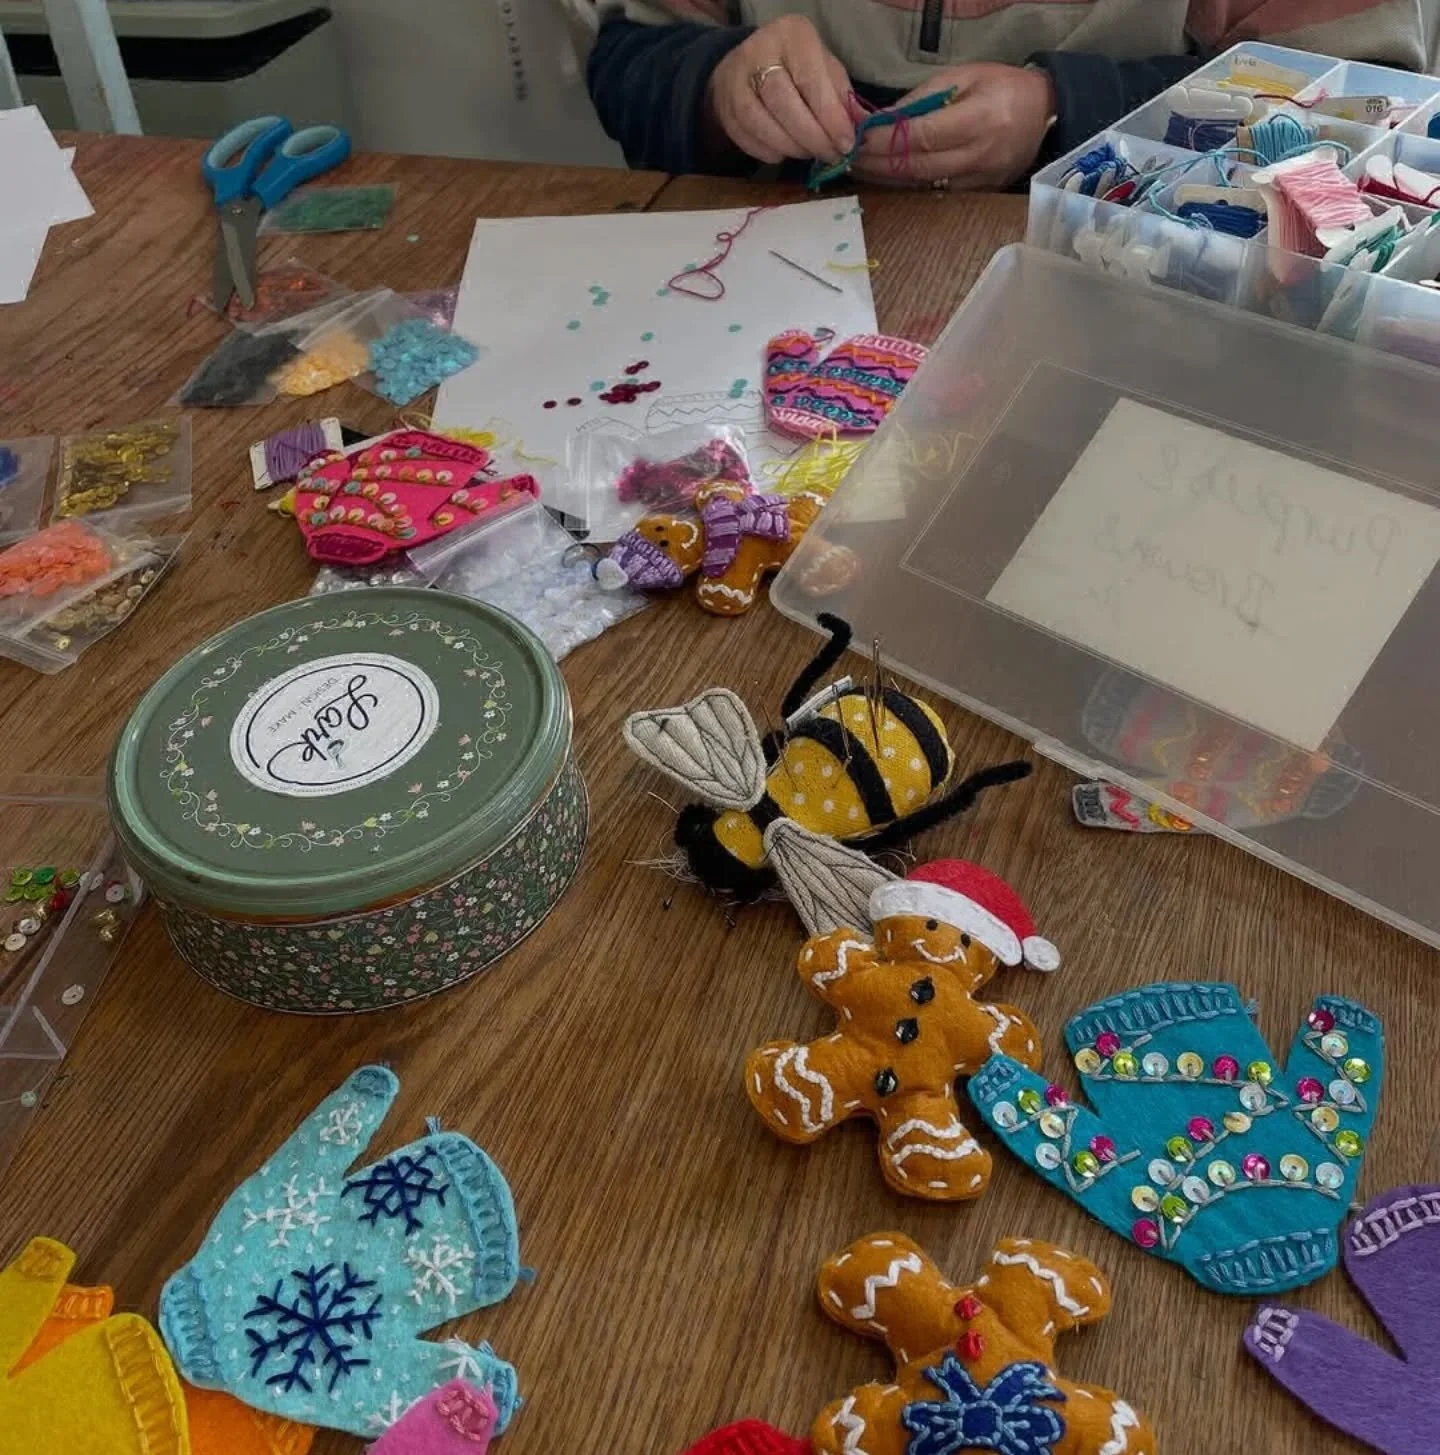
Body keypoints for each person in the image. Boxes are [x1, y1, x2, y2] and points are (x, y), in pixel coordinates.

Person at [567, 1, 1428, 186]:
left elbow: (1358, 112)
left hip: (1135, 326)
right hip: (760, 313)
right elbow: (631, 58)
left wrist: (1070, 113)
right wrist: (720, 85)